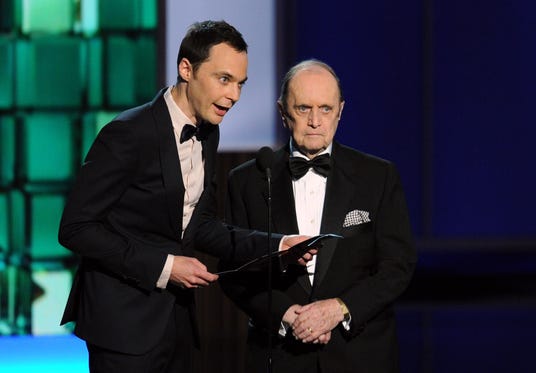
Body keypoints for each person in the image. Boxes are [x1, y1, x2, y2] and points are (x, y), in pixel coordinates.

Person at [58, 20, 309, 373]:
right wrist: (165, 266)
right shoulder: (128, 134)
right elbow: (76, 227)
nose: (234, 95)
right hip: (122, 328)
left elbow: (201, 226)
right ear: (186, 69)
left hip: (176, 322)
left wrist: (278, 246)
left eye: (240, 84)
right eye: (224, 79)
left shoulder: (209, 135)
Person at [221, 59, 417, 372]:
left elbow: (397, 266)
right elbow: (233, 272)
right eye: (303, 109)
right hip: (280, 355)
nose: (315, 121)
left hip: (360, 356)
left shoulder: (378, 176)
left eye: (325, 109)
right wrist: (286, 316)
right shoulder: (247, 181)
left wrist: (340, 308)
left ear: (340, 110)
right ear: (283, 112)